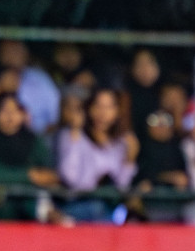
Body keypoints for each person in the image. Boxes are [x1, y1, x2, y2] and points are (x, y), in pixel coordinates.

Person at [56, 87, 138, 222]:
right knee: (96, 208)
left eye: (109, 107)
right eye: (98, 106)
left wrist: (130, 158)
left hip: (108, 209)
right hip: (77, 204)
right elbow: (70, 178)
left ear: (117, 112)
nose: (102, 113)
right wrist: (75, 137)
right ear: (89, 109)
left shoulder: (120, 143)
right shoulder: (72, 135)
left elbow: (122, 187)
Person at [0, 93, 60, 221]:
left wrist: (48, 176)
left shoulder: (34, 141)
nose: (10, 116)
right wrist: (30, 176)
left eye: (15, 110)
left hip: (30, 200)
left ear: (23, 114)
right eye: (4, 110)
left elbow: (48, 172)